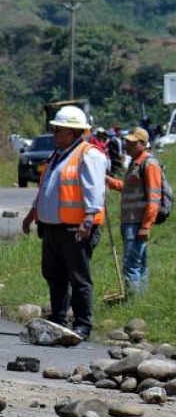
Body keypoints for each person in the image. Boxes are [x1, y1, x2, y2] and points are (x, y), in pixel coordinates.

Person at [21, 105, 107, 341]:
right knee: (54, 275)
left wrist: (88, 221)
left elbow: (94, 192)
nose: (54, 134)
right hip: (51, 228)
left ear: (72, 132)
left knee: (79, 278)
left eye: (58, 130)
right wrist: (31, 215)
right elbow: (46, 191)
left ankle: (82, 326)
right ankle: (58, 320)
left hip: (75, 229)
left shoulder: (88, 155)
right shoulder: (56, 156)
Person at [105, 128, 163, 295]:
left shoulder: (149, 164)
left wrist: (146, 225)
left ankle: (132, 301)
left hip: (137, 222)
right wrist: (111, 182)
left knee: (131, 265)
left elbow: (154, 198)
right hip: (131, 221)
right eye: (126, 141)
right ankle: (141, 299)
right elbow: (129, 189)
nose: (126, 145)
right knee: (140, 264)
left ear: (143, 144)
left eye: (131, 142)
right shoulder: (135, 162)